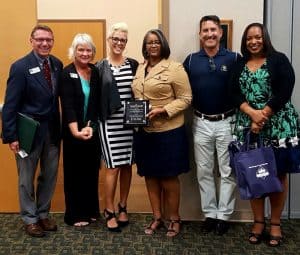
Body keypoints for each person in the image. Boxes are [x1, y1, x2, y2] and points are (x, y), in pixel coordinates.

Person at [230, 23, 299, 247]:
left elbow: (285, 89)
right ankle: (259, 222)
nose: (253, 42)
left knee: (278, 174)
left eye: (257, 37)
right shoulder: (239, 63)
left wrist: (263, 115)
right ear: (244, 41)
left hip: (278, 125)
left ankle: (276, 222)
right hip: (249, 125)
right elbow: (232, 91)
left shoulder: (279, 60)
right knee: (254, 172)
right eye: (249, 38)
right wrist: (252, 114)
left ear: (264, 38)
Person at [1, 25, 63, 237]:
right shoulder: (20, 67)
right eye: (40, 39)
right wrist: (11, 136)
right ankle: (30, 218)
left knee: (49, 175)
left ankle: (43, 214)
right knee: (25, 178)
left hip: (52, 132)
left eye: (49, 39)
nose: (45, 43)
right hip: (28, 133)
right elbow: (10, 105)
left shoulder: (56, 64)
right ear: (31, 41)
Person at [132, 29, 192, 237]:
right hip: (144, 131)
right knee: (150, 176)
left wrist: (163, 110)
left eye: (156, 42)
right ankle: (157, 216)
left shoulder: (174, 68)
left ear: (163, 44)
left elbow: (186, 98)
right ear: (145, 46)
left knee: (168, 177)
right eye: (149, 42)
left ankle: (174, 218)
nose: (153, 46)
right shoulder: (140, 68)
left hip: (168, 132)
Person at [183, 15, 239, 235]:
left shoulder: (234, 58)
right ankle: (210, 213)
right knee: (204, 171)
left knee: (227, 171)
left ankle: (224, 216)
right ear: (200, 34)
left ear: (221, 33)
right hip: (201, 122)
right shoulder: (190, 60)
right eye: (205, 30)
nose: (209, 34)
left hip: (228, 122)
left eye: (213, 29)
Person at [95, 22, 138, 232]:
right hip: (108, 123)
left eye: (123, 40)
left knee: (127, 166)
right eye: (116, 39)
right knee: (111, 167)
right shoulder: (100, 67)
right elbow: (95, 99)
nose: (119, 43)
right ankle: (109, 209)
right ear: (109, 40)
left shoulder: (133, 64)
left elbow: (139, 92)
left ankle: (123, 205)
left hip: (129, 123)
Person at [59, 33, 101, 227]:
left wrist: (90, 126)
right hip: (72, 132)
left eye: (88, 50)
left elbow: (95, 103)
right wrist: (76, 131)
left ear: (93, 52)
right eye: (81, 49)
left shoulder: (95, 71)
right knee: (74, 173)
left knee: (91, 172)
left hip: (91, 130)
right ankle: (75, 214)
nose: (85, 53)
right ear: (74, 51)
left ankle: (91, 210)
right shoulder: (67, 73)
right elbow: (67, 105)